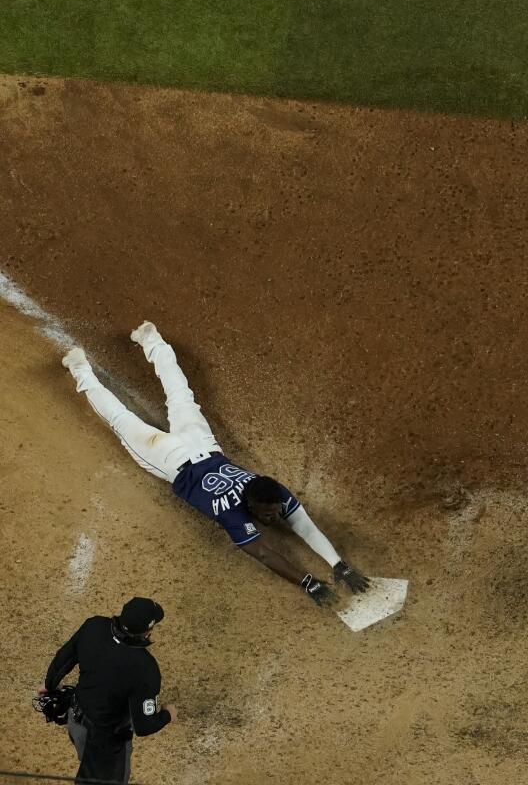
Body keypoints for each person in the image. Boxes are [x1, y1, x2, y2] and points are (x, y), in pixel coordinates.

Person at [61, 322, 370, 606]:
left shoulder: (269, 491)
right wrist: (308, 582)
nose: (275, 517)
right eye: (268, 513)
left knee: (179, 394)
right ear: (249, 504)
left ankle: (149, 337)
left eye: (275, 511)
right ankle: (81, 368)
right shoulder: (233, 513)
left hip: (200, 444)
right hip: (171, 457)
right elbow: (262, 551)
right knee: (124, 418)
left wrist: (338, 564)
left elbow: (302, 523)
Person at [41, 597, 176, 785]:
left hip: (75, 722)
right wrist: (168, 714)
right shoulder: (146, 668)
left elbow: (63, 659)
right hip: (105, 744)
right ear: (147, 631)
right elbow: (144, 726)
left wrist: (49, 685)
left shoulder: (93, 626)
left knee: (87, 763)